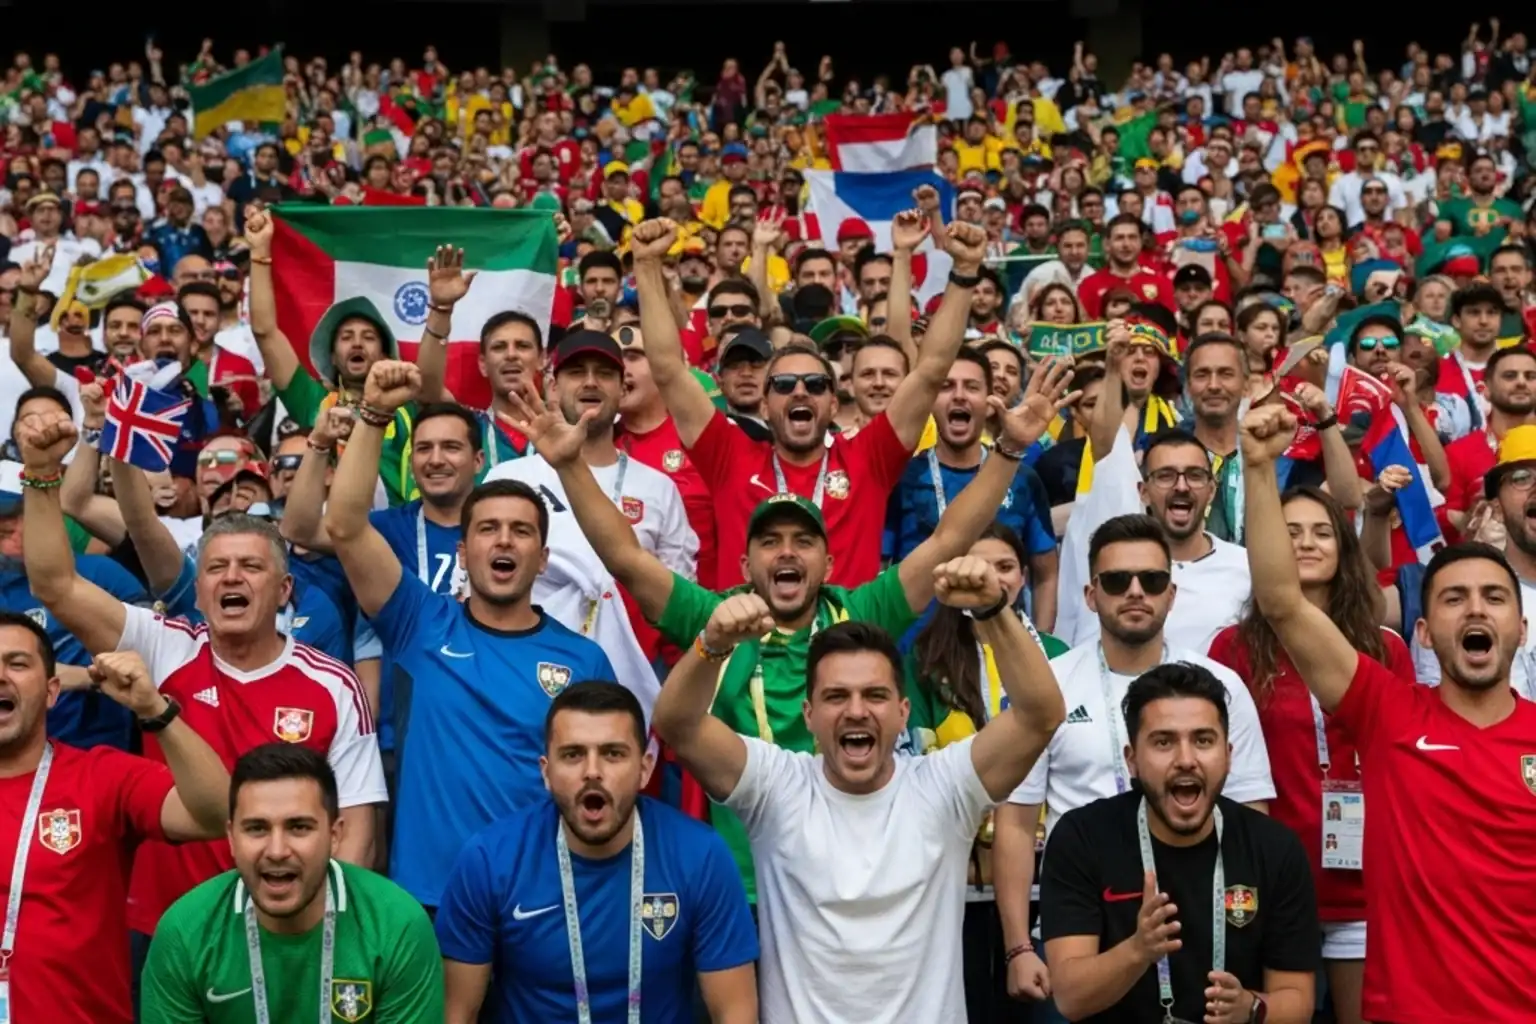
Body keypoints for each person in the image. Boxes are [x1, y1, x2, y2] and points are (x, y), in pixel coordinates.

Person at [506, 356, 1075, 904]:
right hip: (747, 883)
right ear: (743, 567)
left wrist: (1008, 449)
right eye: (770, 542)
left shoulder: (861, 612)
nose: (787, 553)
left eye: (804, 541)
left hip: (851, 871)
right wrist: (570, 466)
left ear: (828, 567)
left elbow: (949, 538)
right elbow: (627, 559)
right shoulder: (718, 619)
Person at [16, 408, 386, 947]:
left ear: (285, 591)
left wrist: (327, 935)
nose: (231, 577)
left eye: (251, 567)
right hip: (168, 929)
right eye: (216, 568)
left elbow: (356, 833)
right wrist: (42, 475)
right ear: (201, 587)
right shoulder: (165, 645)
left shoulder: (331, 684)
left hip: (289, 932)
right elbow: (54, 585)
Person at [650, 560, 1066, 1022]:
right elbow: (676, 724)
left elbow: (1041, 714)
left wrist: (993, 609)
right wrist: (711, 646)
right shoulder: (775, 787)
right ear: (808, 715)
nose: (856, 711)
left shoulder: (945, 787)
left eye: (875, 695)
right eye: (835, 696)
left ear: (904, 711)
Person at [1241, 401, 1536, 1023]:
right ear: (1424, 633)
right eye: (1454, 599)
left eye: (1493, 598)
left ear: (1522, 626)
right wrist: (1261, 470)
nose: (1476, 611)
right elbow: (1282, 603)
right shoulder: (1388, 713)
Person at [322, 360, 618, 911]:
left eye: (521, 531)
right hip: (430, 900)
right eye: (487, 529)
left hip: (542, 901)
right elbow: (344, 525)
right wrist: (373, 415)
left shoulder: (584, 660)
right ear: (464, 551)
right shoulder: (419, 621)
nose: (503, 541)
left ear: (543, 556)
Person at [993, 514, 1274, 1016]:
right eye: (1118, 581)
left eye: (1153, 580)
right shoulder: (1046, 688)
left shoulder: (1222, 686)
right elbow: (1014, 823)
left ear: (1172, 594)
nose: (1136, 592)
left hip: (1200, 931)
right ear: (1090, 594)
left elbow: (1252, 817)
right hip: (1075, 932)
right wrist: (1018, 946)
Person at [630, 214, 989, 589]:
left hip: (844, 644)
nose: (800, 391)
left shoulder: (869, 459)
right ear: (765, 406)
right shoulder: (729, 457)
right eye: (784, 384)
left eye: (815, 384)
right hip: (749, 643)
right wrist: (646, 264)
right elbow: (669, 370)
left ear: (834, 404)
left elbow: (930, 371)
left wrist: (964, 272)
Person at [1209, 486, 1415, 1024]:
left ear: (1345, 550)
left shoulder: (1385, 646)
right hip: (1270, 877)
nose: (1305, 544)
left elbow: (1407, 762)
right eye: (1289, 532)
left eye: (1322, 532)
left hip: (1363, 880)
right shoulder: (1231, 647)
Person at [437, 681, 758, 1023]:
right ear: (546, 772)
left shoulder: (700, 855)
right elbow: (458, 1013)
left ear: (645, 768)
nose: (593, 771)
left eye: (613, 753)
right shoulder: (490, 860)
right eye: (573, 754)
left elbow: (735, 1012)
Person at [1039, 663, 1319, 1023]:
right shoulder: (1081, 838)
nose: (1186, 760)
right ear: (1132, 760)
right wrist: (1138, 951)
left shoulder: (1274, 848)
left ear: (1229, 755)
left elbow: (1298, 1000)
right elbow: (1069, 998)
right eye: (1163, 742)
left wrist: (1251, 1008)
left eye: (1203, 740)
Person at [0, 625, 228, 1023]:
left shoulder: (102, 777)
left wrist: (156, 711)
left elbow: (217, 813)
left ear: (53, 691)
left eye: (16, 664)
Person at [141, 744, 443, 1023]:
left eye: (299, 827)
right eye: (257, 828)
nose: (276, 851)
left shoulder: (398, 926)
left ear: (334, 835)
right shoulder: (184, 932)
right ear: (232, 838)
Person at [486, 329, 698, 715]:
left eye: (604, 373)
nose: (589, 382)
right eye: (576, 372)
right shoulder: (510, 477)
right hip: (523, 679)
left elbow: (676, 602)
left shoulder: (658, 488)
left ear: (621, 389)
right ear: (552, 385)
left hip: (630, 685)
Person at [886, 350, 1061, 631]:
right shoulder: (904, 479)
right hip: (918, 649)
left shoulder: (1023, 480)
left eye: (972, 387)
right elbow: (882, 569)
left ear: (990, 402)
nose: (959, 396)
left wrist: (1041, 645)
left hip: (1001, 643)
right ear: (931, 401)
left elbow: (1046, 575)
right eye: (946, 386)